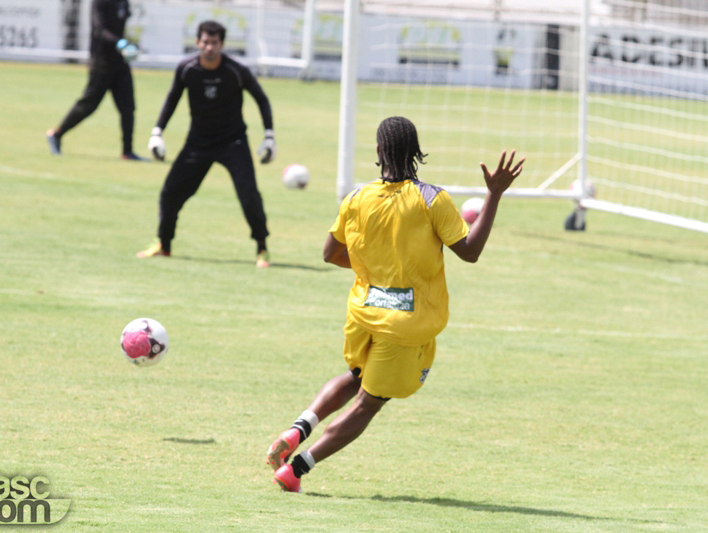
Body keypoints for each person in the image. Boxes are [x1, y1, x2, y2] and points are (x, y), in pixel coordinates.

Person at [266, 116, 525, 492]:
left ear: (378, 150)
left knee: (358, 378)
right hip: (404, 324)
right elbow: (470, 252)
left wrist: (376, 272)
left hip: (362, 312)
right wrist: (495, 194)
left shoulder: (356, 198)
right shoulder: (433, 199)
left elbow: (330, 253)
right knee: (369, 402)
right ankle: (295, 471)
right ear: (417, 151)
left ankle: (298, 428)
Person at [136, 20, 276, 268]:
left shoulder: (236, 71)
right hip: (198, 143)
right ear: (197, 42)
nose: (209, 47)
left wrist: (269, 136)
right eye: (205, 42)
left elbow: (261, 99)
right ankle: (164, 245)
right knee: (170, 193)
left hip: (233, 142)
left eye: (214, 42)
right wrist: (157, 132)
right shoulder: (187, 69)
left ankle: (262, 248)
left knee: (248, 195)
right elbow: (172, 99)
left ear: (222, 44)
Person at [46, 0, 144, 160]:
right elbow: (100, 30)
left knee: (128, 108)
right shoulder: (100, 2)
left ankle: (127, 151)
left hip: (120, 62)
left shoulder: (124, 2)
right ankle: (56, 134)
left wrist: (127, 45)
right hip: (101, 62)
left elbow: (121, 24)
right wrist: (119, 42)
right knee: (88, 105)